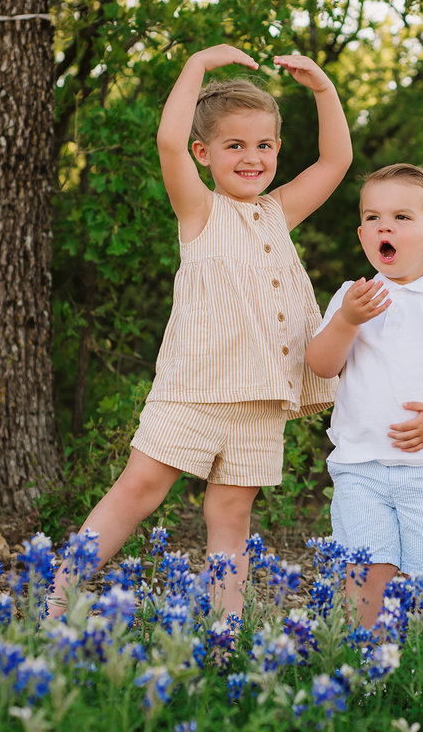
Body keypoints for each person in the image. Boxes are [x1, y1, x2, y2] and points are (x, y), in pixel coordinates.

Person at [48, 44, 350, 619]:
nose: (251, 157)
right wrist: (197, 66)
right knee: (138, 490)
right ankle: (54, 603)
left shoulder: (277, 211)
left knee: (231, 517)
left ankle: (223, 635)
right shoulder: (200, 210)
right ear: (203, 152)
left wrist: (324, 90)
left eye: (263, 145)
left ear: (278, 151)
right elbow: (165, 141)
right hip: (195, 387)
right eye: (234, 146)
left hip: (260, 395)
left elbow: (334, 163)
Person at [305, 163, 423, 627]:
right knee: (365, 575)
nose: (384, 226)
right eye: (372, 218)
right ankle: (370, 672)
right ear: (361, 234)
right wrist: (347, 321)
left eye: (401, 217)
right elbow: (321, 365)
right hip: (360, 469)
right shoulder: (352, 297)